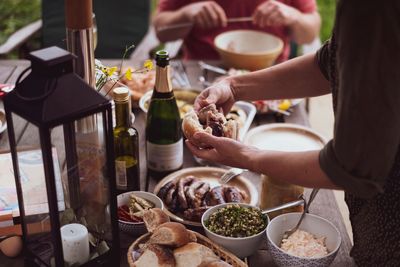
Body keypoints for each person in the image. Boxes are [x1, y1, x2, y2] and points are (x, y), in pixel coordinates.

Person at [185, 0, 400, 265]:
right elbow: (330, 61)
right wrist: (235, 86)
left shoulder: (374, 9)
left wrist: (248, 157)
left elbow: (350, 167)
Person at [153, 0, 320, 62]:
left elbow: (310, 33)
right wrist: (185, 14)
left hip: (270, 70)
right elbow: (161, 30)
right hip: (203, 69)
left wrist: (295, 16)